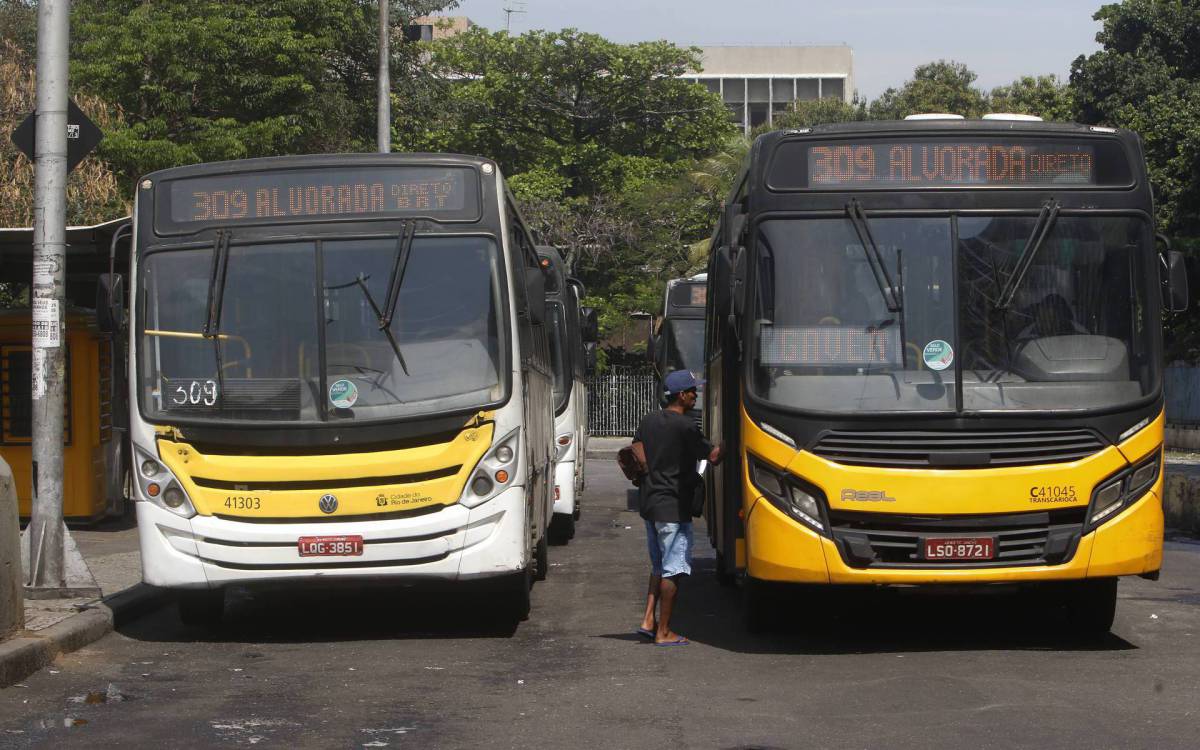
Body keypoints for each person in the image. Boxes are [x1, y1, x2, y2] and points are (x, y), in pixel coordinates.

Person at [634, 370, 722, 646]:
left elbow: (636, 452)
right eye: (693, 391)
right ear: (681, 395)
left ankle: (648, 621)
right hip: (673, 506)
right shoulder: (685, 426)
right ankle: (664, 632)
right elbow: (712, 456)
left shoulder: (647, 421)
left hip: (650, 503)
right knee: (674, 569)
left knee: (658, 565)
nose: (696, 395)